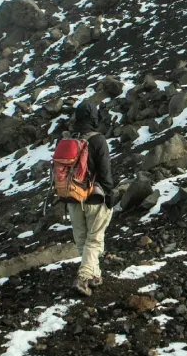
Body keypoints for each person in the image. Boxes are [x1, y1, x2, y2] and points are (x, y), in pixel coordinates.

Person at [66, 101, 114, 297]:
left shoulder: (68, 139)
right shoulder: (97, 140)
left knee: (82, 240)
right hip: (94, 197)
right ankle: (84, 277)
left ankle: (95, 275)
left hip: (72, 197)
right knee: (94, 240)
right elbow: (105, 172)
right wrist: (110, 196)